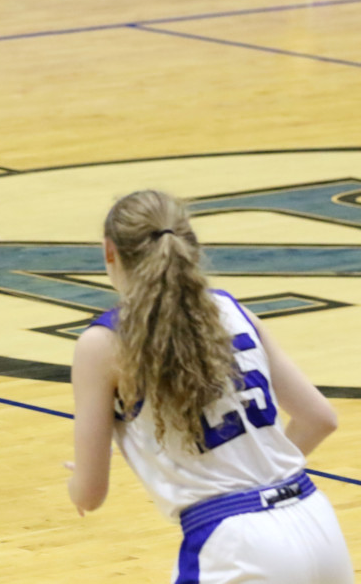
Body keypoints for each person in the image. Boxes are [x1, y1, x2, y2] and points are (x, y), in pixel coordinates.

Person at [67, 189, 353, 582]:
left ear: (109, 252)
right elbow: (320, 418)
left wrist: (77, 481)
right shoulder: (232, 310)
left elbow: (90, 493)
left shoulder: (103, 343)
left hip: (237, 544)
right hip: (317, 522)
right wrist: (252, 470)